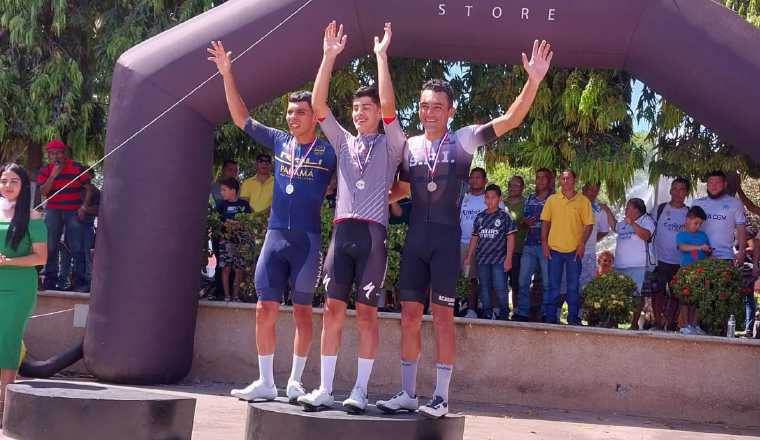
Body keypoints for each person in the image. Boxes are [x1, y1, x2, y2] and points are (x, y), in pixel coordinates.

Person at [378, 39, 553, 418]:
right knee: (408, 315)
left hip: (443, 241)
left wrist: (533, 81)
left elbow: (510, 120)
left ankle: (440, 397)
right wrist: (367, 196)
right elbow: (402, 189)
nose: (430, 112)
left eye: (437, 107)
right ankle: (408, 393)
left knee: (441, 318)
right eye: (424, 106)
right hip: (415, 242)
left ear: (450, 110)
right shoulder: (409, 145)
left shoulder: (463, 139)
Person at [208, 40, 337, 402]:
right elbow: (241, 118)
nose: (292, 117)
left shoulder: (329, 150)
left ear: (315, 116)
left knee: (301, 311)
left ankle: (295, 380)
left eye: (300, 112)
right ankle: (266, 382)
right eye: (290, 112)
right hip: (275, 237)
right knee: (264, 307)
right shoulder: (279, 141)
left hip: (307, 240)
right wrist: (227, 74)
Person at [296, 22, 405, 413]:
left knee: (368, 315)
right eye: (356, 108)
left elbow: (392, 108)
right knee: (332, 310)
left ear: (378, 113)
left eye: (367, 108)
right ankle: (325, 388)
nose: (360, 113)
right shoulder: (342, 141)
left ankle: (359, 390)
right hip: (342, 234)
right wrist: (327, 57)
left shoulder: (393, 144)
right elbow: (319, 105)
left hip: (373, 235)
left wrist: (380, 57)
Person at [0, 163, 48, 427]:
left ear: (24, 186)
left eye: (14, 181)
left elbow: (41, 257)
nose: (7, 186)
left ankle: (5, 404)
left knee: (7, 339)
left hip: (17, 287)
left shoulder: (33, 217)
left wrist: (7, 262)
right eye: (4, 180)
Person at [692, 171, 752, 336]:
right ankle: (697, 328)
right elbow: (689, 228)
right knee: (700, 294)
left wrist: (740, 252)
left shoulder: (734, 204)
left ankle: (720, 332)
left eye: (718, 183)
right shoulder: (697, 203)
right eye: (710, 183)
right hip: (701, 256)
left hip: (725, 256)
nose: (714, 186)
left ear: (725, 184)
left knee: (721, 295)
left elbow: (741, 228)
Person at [37, 139, 93, 292]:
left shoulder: (76, 167)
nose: (56, 157)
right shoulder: (45, 169)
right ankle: (50, 280)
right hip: (53, 210)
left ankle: (80, 281)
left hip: (73, 211)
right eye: (52, 154)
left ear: (64, 153)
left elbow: (88, 188)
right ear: (48, 155)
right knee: (51, 246)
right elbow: (43, 191)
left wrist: (84, 207)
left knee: (77, 247)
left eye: (59, 153)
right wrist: (53, 176)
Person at [540, 169, 594, 325]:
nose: (566, 181)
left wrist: (582, 244)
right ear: (559, 181)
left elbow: (588, 225)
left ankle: (572, 318)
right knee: (553, 286)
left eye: (568, 178)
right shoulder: (552, 200)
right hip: (554, 250)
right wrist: (544, 242)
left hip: (574, 251)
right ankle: (550, 318)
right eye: (563, 179)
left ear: (574, 180)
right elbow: (545, 222)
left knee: (573, 287)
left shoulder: (583, 201)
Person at [464, 184, 516, 320]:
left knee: (500, 287)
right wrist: (469, 256)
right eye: (487, 197)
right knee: (484, 288)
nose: (490, 200)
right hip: (482, 259)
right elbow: (474, 238)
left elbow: (510, 238)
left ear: (499, 199)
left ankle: (504, 313)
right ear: (484, 199)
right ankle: (487, 313)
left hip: (499, 259)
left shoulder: (505, 216)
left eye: (493, 197)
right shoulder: (480, 217)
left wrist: (508, 259)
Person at [512, 168, 553, 322]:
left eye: (544, 178)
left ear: (549, 181)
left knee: (547, 283)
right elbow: (522, 222)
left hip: (546, 246)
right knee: (523, 281)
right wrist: (524, 222)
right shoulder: (529, 198)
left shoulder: (554, 199)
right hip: (528, 245)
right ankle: (522, 312)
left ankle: (545, 313)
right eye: (538, 177)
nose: (540, 180)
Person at [611, 198, 656, 329]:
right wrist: (607, 210)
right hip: (620, 265)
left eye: (628, 208)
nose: (625, 210)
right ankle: (614, 322)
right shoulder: (624, 221)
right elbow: (615, 227)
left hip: (639, 265)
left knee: (637, 295)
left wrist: (633, 224)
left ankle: (634, 323)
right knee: (618, 295)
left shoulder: (647, 220)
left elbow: (646, 236)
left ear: (636, 209)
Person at [651, 178, 690, 331]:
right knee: (658, 293)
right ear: (670, 191)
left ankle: (672, 323)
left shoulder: (689, 213)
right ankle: (658, 323)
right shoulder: (660, 209)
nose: (677, 192)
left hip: (680, 261)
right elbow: (649, 229)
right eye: (675, 188)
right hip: (660, 259)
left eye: (681, 189)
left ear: (686, 193)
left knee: (677, 295)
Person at [676, 206, 712, 335]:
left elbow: (708, 249)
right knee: (685, 298)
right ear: (687, 220)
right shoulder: (682, 234)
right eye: (696, 223)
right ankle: (685, 325)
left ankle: (695, 324)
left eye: (700, 224)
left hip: (701, 271)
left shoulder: (703, 235)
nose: (697, 226)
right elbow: (682, 247)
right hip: (686, 271)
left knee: (697, 299)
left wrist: (708, 251)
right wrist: (699, 247)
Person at [216, 177, 252, 302]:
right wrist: (225, 225)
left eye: (224, 190)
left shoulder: (244, 204)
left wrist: (238, 225)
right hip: (225, 241)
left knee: (238, 269)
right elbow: (217, 222)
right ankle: (227, 296)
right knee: (225, 268)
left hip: (240, 242)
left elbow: (249, 221)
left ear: (233, 190)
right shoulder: (221, 205)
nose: (221, 192)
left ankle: (236, 296)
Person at [459, 168, 488, 317]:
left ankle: (482, 308)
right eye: (472, 177)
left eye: (478, 177)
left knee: (482, 277)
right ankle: (467, 308)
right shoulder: (464, 198)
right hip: (463, 243)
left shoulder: (489, 198)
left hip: (484, 245)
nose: (474, 180)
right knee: (467, 277)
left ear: (485, 181)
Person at [579, 183, 613, 290]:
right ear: (583, 189)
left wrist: (590, 240)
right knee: (564, 287)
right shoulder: (571, 204)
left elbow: (604, 231)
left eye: (596, 191)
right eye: (590, 189)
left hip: (588, 253)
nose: (593, 193)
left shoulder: (600, 209)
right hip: (567, 253)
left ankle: (582, 307)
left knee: (586, 287)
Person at [504, 175, 526, 316]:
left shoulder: (526, 203)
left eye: (517, 185)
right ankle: (501, 309)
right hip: (500, 250)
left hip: (519, 249)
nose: (513, 187)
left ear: (522, 188)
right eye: (511, 184)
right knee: (500, 282)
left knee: (517, 282)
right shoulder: (501, 203)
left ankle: (517, 310)